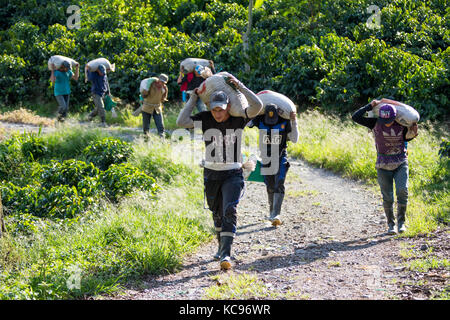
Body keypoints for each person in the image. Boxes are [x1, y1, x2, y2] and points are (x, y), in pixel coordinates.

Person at [176, 76, 263, 270]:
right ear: (210, 108)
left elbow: (257, 105)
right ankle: (220, 247)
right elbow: (181, 121)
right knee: (216, 212)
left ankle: (226, 254)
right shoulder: (205, 119)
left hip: (233, 173)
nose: (217, 114)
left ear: (228, 106)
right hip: (211, 174)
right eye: (214, 109)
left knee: (229, 210)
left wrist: (240, 85)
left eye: (221, 110)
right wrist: (193, 98)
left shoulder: (238, 119)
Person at [352, 98, 418, 234]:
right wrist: (370, 105)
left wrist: (413, 134)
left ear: (395, 118)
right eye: (384, 121)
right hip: (382, 164)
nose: (387, 124)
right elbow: (355, 117)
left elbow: (406, 138)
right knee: (387, 197)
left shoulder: (402, 124)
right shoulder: (375, 123)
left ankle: (401, 223)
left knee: (402, 190)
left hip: (400, 162)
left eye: (389, 121)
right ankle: (391, 225)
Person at [248, 104, 299, 226]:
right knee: (269, 184)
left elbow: (294, 139)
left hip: (280, 156)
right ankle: (272, 211)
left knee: (279, 181)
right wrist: (252, 111)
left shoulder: (284, 121)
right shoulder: (259, 119)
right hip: (266, 157)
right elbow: (246, 123)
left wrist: (294, 121)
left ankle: (276, 214)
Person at [141, 73, 168, 138]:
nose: (162, 84)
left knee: (160, 126)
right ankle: (146, 139)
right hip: (147, 107)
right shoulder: (150, 85)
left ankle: (162, 139)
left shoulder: (164, 88)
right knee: (146, 126)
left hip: (157, 108)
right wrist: (146, 89)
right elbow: (143, 95)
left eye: (164, 82)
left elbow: (163, 98)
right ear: (158, 80)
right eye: (161, 81)